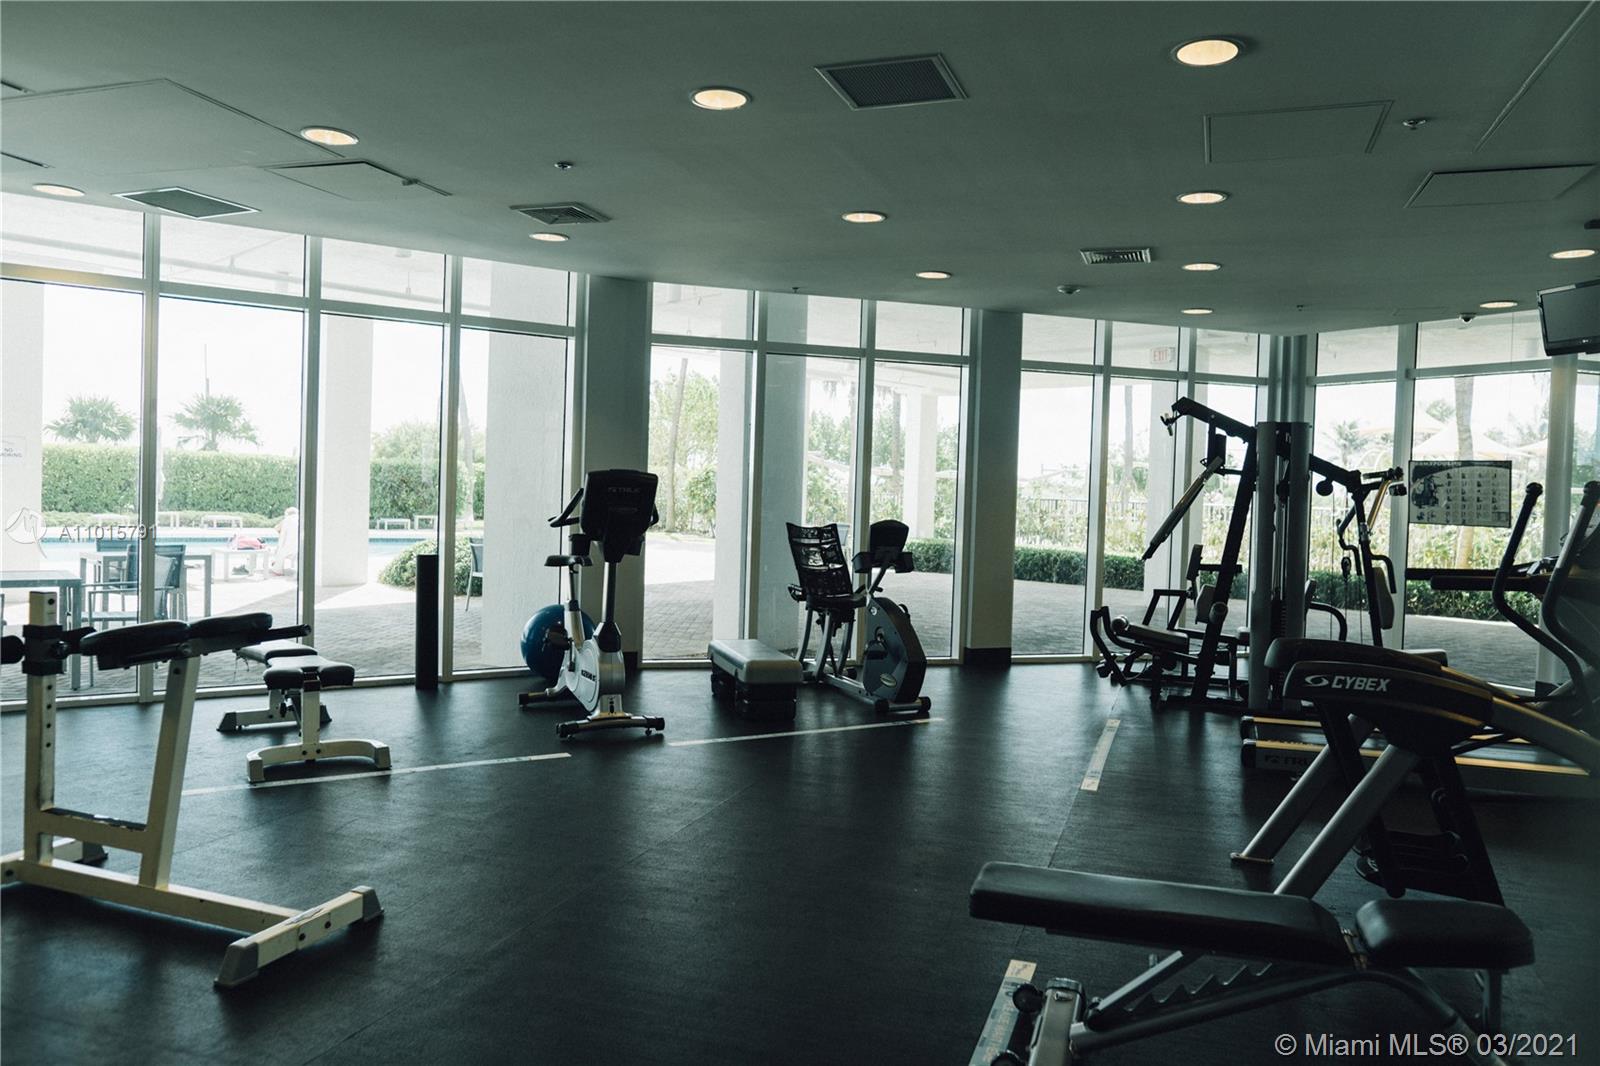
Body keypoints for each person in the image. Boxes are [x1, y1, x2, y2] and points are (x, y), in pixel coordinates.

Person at [270, 506, 299, 576]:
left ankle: (277, 569)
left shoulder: (286, 520)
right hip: (299, 546)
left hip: (289, 547)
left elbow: (282, 536)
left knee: (280, 551)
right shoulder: (300, 519)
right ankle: (275, 562)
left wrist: (279, 546)